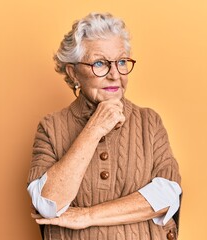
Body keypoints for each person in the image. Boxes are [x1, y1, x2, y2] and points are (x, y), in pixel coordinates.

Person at [27, 12, 182, 240]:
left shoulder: (149, 121)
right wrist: (94, 129)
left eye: (121, 62)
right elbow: (49, 204)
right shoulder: (51, 127)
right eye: (100, 63)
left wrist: (87, 216)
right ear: (73, 72)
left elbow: (166, 197)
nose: (115, 75)